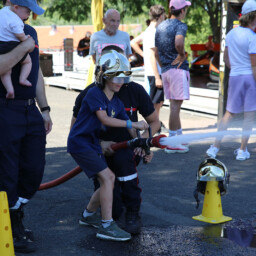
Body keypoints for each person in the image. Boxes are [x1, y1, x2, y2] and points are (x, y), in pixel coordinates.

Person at [71, 46, 160, 235]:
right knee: (109, 186)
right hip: (92, 147)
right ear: (104, 75)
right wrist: (101, 143)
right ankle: (104, 223)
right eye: (116, 76)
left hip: (121, 150)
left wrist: (143, 145)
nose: (121, 81)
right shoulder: (92, 93)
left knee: (117, 170)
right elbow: (99, 121)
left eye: (123, 76)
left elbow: (137, 126)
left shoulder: (122, 98)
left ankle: (128, 213)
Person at [0, 0, 52, 253]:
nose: (30, 13)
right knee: (7, 171)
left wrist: (45, 109)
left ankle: (15, 212)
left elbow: (37, 75)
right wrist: (23, 48)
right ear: (10, 3)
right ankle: (10, 226)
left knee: (34, 168)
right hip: (5, 108)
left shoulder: (29, 31)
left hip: (30, 109)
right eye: (26, 7)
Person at [206, 0, 256, 161]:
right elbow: (254, 66)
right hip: (249, 78)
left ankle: (214, 147)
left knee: (229, 114)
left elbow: (226, 59)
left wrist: (236, 68)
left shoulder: (231, 34)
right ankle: (242, 150)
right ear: (253, 17)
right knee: (249, 115)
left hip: (234, 77)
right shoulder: (253, 37)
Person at [155, 0, 191, 153]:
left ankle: (179, 138)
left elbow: (156, 52)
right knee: (175, 107)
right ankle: (172, 142)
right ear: (182, 10)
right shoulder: (181, 26)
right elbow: (178, 43)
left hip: (166, 70)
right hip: (178, 69)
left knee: (174, 106)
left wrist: (163, 65)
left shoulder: (160, 25)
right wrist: (182, 55)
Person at [131, 5, 167, 133]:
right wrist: (158, 76)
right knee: (155, 103)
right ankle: (153, 127)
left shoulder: (148, 31)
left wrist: (143, 55)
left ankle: (154, 126)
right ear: (161, 16)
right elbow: (153, 55)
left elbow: (133, 42)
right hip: (154, 72)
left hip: (153, 71)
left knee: (158, 102)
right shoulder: (152, 32)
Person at [0, 0, 42, 98]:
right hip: (4, 107)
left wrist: (44, 108)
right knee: (27, 62)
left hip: (29, 106)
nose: (29, 16)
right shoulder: (16, 22)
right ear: (15, 6)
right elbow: (20, 35)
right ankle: (22, 79)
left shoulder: (4, 13)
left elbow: (37, 71)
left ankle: (10, 90)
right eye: (27, 12)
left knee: (6, 72)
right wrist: (26, 43)